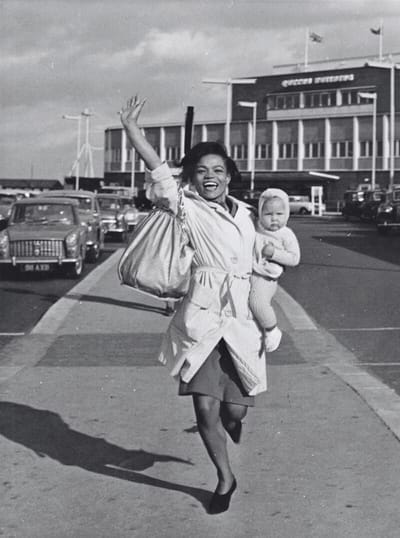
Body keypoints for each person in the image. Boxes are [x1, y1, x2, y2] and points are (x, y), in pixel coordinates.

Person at [120, 95, 267, 515]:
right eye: (201, 171)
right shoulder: (188, 209)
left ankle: (233, 423)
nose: (210, 177)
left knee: (234, 409)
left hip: (240, 319)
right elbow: (161, 175)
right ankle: (225, 477)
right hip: (203, 317)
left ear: (229, 176)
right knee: (205, 408)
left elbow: (259, 260)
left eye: (218, 170)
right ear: (192, 177)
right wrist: (134, 133)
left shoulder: (245, 214)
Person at [249, 188, 301, 352]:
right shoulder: (254, 227)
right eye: (268, 214)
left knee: (257, 303)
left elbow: (294, 258)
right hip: (249, 272)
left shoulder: (286, 234)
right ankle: (256, 333)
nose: (274, 219)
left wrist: (275, 254)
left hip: (266, 277)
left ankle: (272, 330)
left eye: (279, 214)